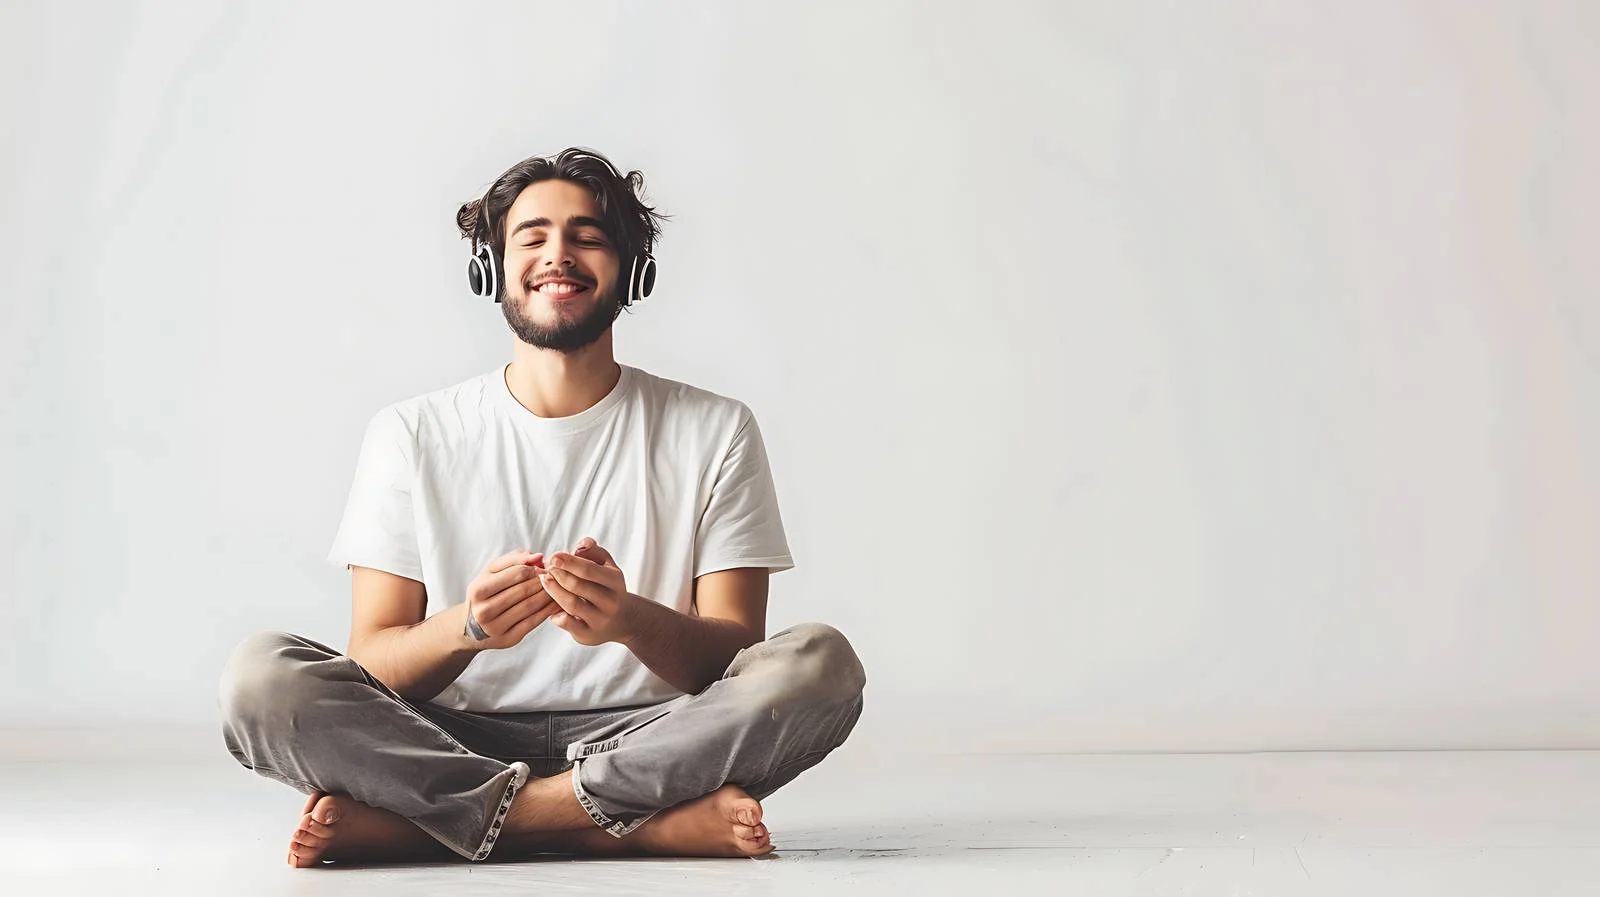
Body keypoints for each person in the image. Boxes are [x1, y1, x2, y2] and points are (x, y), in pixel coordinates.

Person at [217, 147, 866, 868]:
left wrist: (628, 619)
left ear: (633, 269)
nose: (559, 254)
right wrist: (465, 629)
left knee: (821, 666)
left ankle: (437, 824)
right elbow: (373, 661)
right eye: (532, 236)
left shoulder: (715, 428)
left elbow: (736, 655)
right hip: (449, 739)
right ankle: (631, 824)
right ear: (491, 267)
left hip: (653, 735)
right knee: (260, 679)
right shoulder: (410, 432)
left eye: (588, 235)